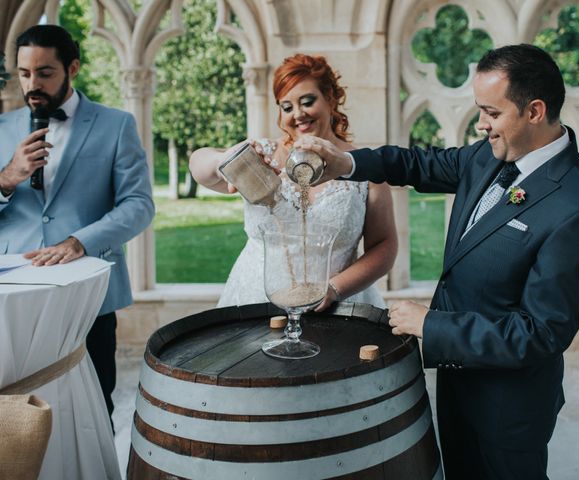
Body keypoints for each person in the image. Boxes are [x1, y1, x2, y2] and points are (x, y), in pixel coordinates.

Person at [296, 44, 579, 479]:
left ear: (535, 110)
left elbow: (539, 334)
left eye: (491, 112)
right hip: (456, 382)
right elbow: (416, 163)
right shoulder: (489, 153)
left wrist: (431, 326)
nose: (482, 124)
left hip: (509, 405)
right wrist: (346, 163)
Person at [0, 25, 154, 423]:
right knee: (12, 410)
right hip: (12, 296)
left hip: (88, 294)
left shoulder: (115, 125)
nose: (32, 84)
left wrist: (79, 242)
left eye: (45, 72)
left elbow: (138, 205)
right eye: (23, 73)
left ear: (73, 68)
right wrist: (7, 178)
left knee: (92, 404)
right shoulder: (1, 129)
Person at [190, 53, 397, 309]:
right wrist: (225, 161)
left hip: (339, 305)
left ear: (330, 99)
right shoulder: (260, 158)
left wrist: (333, 290)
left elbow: (384, 246)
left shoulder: (362, 166)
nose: (298, 114)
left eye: (307, 101)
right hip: (256, 299)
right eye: (286, 107)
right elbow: (198, 165)